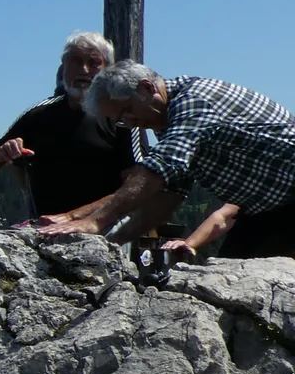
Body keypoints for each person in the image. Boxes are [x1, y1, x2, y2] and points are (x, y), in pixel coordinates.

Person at [39, 63, 295, 260]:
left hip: (287, 200)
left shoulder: (194, 102)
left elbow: (158, 171)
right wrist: (111, 243)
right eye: (120, 120)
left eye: (127, 111)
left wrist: (95, 221)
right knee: (236, 282)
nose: (128, 123)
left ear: (147, 88)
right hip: (267, 210)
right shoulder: (168, 121)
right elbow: (169, 193)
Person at [0, 31, 135, 217]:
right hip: (44, 231)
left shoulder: (122, 119)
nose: (84, 70)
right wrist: (2, 154)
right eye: (75, 61)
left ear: (107, 71)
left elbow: (133, 189)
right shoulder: (39, 115)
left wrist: (74, 218)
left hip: (103, 231)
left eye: (93, 62)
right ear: (63, 67)